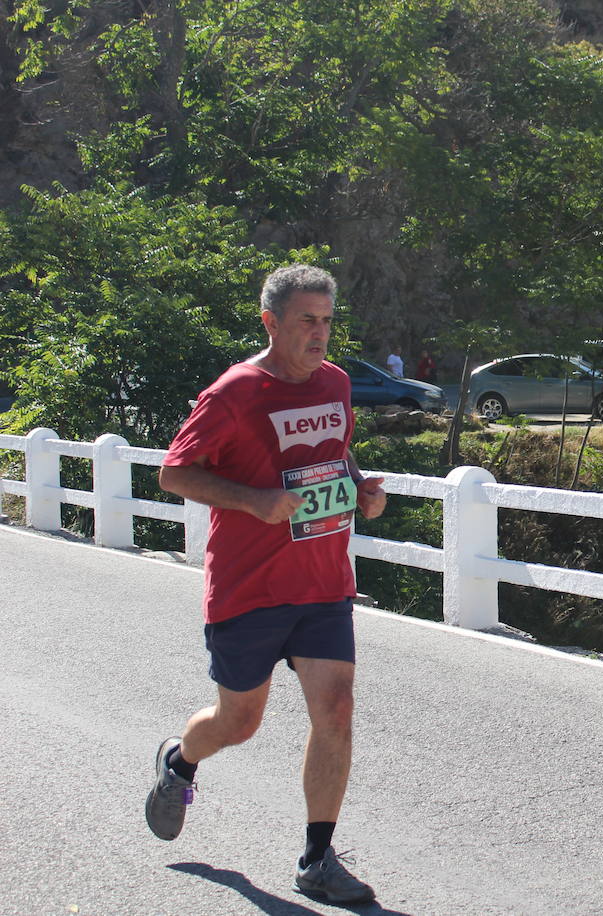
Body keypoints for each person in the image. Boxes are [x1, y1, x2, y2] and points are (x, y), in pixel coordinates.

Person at [149, 264, 387, 905]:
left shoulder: (335, 383)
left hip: (322, 582)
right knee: (238, 722)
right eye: (306, 321)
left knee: (336, 707)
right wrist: (254, 501)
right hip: (247, 588)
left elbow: (335, 452)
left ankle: (316, 859)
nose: (319, 334)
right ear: (271, 322)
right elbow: (175, 475)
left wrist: (358, 487)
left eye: (327, 321)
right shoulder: (235, 392)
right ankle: (180, 763)